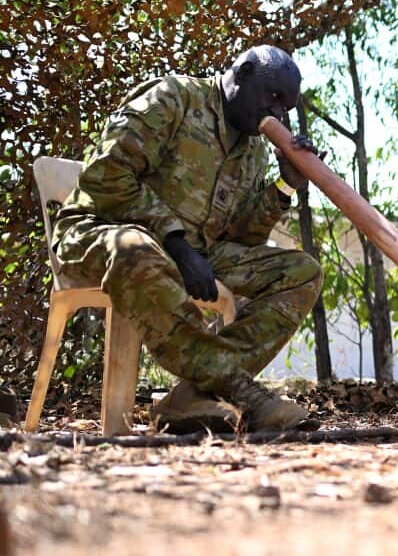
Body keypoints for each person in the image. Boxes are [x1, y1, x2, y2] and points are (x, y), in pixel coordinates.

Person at [52, 45, 324, 433]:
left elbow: (245, 236)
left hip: (196, 252)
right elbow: (108, 175)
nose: (277, 113)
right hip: (99, 233)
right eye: (273, 97)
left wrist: (285, 186)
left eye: (286, 107)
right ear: (243, 73)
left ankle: (192, 395)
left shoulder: (253, 151)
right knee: (137, 249)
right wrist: (176, 241)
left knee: (301, 271)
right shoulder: (173, 97)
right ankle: (241, 391)